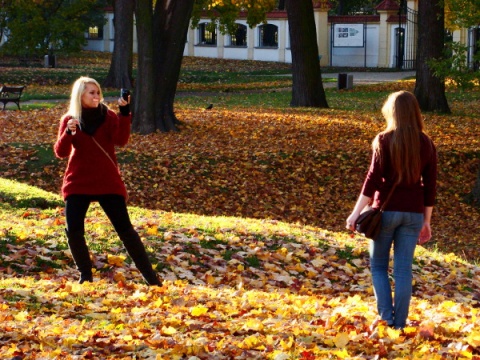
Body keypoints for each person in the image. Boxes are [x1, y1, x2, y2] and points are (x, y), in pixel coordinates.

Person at [54, 76, 161, 286]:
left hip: (107, 180)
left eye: (98, 92)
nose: (96, 96)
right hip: (78, 181)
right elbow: (61, 152)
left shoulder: (109, 115)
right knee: (73, 229)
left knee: (125, 230)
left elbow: (121, 140)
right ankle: (85, 276)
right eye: (91, 93)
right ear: (80, 95)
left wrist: (124, 114)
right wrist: (68, 133)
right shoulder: (69, 119)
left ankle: (151, 279)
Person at [346, 90, 437, 329]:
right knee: (403, 269)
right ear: (415, 112)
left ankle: (386, 318)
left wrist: (356, 213)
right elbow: (430, 186)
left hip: (385, 212)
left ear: (392, 112)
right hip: (414, 214)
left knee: (378, 266)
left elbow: (372, 180)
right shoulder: (426, 143)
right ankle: (400, 323)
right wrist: (427, 222)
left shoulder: (384, 140)